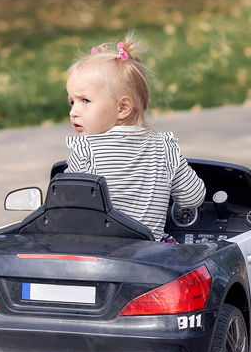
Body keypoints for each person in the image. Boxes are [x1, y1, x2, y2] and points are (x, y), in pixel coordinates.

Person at [64, 35, 206, 241]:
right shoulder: (164, 147)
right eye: (72, 102)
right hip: (150, 257)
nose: (74, 112)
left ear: (122, 108)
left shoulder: (86, 151)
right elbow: (193, 197)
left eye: (85, 101)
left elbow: (67, 207)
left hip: (101, 257)